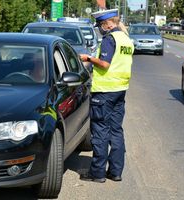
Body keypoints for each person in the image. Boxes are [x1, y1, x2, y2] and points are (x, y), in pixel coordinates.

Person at [79, 9, 134, 183]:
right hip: (120, 90)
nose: (100, 29)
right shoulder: (126, 39)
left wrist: (88, 58)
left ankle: (98, 174)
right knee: (116, 131)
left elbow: (104, 64)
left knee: (100, 132)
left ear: (109, 23)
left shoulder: (110, 39)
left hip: (104, 92)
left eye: (101, 25)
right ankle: (116, 172)